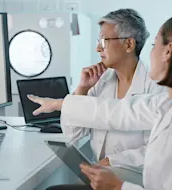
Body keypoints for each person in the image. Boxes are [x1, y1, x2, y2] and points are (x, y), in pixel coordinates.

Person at [28, 15, 172, 190]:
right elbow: (116, 112)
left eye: (154, 45)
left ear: (168, 51)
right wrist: (61, 102)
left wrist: (118, 186)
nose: (151, 53)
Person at [66, 8, 164, 173]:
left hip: (134, 180)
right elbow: (73, 135)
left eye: (104, 41)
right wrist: (82, 90)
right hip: (102, 176)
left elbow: (156, 150)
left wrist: (109, 162)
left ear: (129, 44)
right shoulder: (101, 82)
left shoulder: (156, 87)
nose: (98, 48)